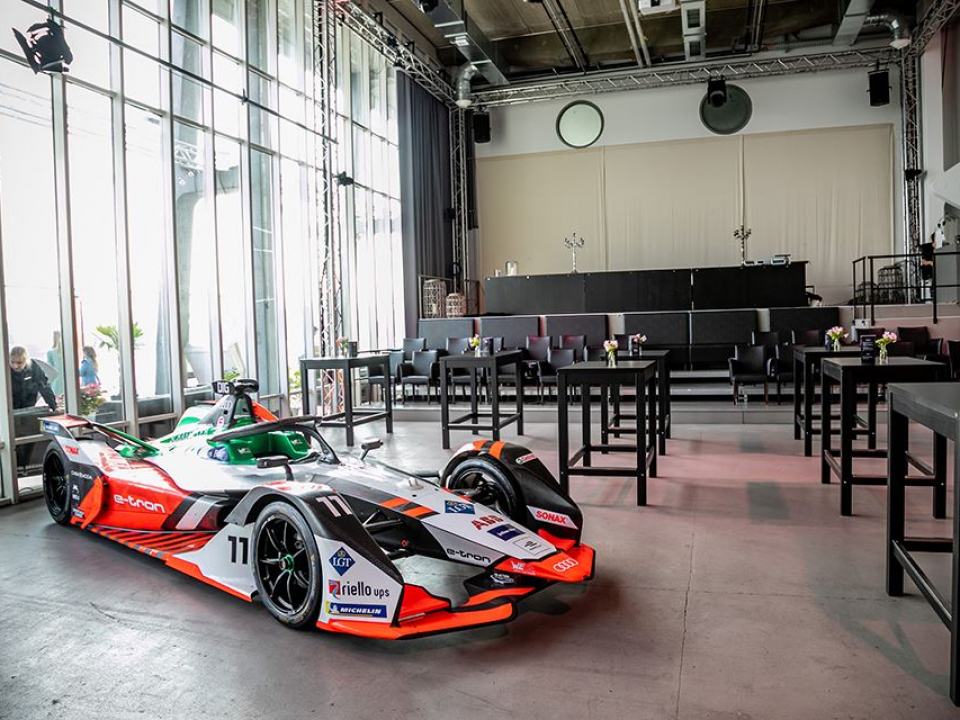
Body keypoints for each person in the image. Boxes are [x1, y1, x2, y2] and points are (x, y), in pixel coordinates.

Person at [10, 346, 57, 411]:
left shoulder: (33, 367)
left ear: (26, 360)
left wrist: (53, 406)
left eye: (19, 363)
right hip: (10, 408)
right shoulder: (5, 369)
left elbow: (44, 387)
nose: (15, 366)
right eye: (12, 362)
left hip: (28, 406)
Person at [46, 330, 64, 396]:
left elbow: (49, 368)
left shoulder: (50, 352)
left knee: (57, 397)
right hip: (65, 378)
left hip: (56, 379)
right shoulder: (67, 351)